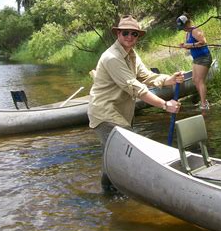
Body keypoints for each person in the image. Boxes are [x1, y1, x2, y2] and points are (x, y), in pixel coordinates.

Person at [88, 15, 184, 189]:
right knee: (126, 151)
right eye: (126, 33)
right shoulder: (112, 57)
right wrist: (164, 105)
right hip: (104, 113)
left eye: (134, 34)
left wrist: (167, 80)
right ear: (118, 34)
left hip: (120, 111)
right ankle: (116, 193)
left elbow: (145, 76)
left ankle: (111, 193)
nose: (130, 37)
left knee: (115, 155)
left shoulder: (131, 53)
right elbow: (137, 89)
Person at [177, 15, 212, 110]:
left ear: (188, 23)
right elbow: (190, 46)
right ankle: (203, 101)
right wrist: (184, 45)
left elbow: (203, 42)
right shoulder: (187, 33)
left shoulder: (195, 30)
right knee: (194, 80)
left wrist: (190, 44)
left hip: (204, 57)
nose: (183, 29)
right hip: (196, 59)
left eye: (183, 27)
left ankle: (204, 105)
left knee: (200, 81)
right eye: (182, 28)